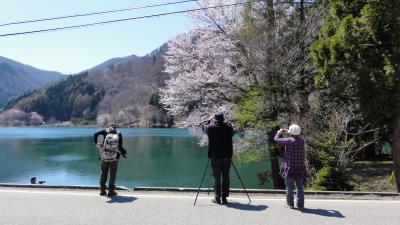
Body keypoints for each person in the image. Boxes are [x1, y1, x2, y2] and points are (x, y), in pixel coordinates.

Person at [202, 112, 234, 205]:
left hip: (215, 156)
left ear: (215, 120)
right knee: (226, 176)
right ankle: (224, 198)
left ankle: (217, 197)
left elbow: (203, 127)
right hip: (227, 156)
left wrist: (208, 120)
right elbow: (233, 132)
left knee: (217, 177)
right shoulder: (228, 128)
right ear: (223, 119)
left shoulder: (210, 128)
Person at [274, 124, 307, 209]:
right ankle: (300, 205)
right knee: (299, 187)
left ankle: (290, 204)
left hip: (289, 167)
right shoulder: (302, 140)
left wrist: (278, 133)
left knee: (289, 187)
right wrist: (287, 131)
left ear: (291, 132)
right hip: (300, 168)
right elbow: (294, 135)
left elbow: (276, 139)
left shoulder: (289, 140)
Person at [93, 123, 127, 196]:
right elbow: (120, 146)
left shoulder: (104, 132)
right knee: (113, 173)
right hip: (115, 157)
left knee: (103, 172)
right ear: (115, 128)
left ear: (107, 127)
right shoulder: (118, 133)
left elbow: (95, 134)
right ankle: (111, 191)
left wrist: (97, 145)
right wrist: (123, 152)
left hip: (104, 156)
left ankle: (102, 190)